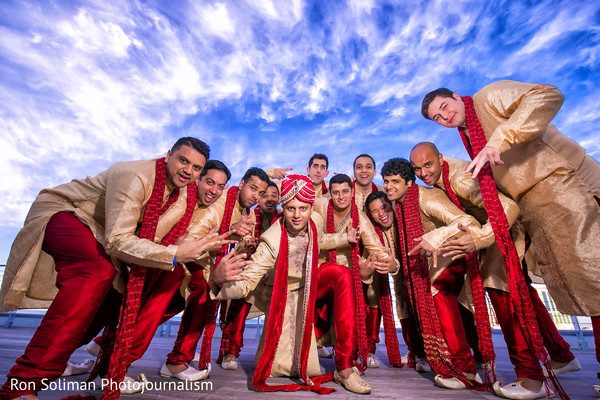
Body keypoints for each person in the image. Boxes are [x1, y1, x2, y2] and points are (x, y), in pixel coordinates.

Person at [0, 137, 225, 400]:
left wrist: (194, 254)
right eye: (183, 160)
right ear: (168, 155)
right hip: (69, 212)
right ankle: (23, 383)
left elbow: (164, 237)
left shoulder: (181, 197)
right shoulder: (135, 176)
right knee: (96, 272)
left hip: (104, 237)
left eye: (196, 168)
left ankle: (89, 365)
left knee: (119, 292)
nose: (188, 171)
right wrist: (175, 253)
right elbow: (118, 240)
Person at [422, 80, 599, 397]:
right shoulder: (467, 139)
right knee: (566, 282)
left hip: (566, 185)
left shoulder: (487, 98)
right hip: (535, 207)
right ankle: (559, 356)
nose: (444, 117)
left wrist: (498, 141)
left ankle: (534, 371)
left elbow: (548, 94)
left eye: (444, 107)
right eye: (437, 118)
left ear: (454, 97)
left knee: (593, 279)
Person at [410, 142, 580, 399]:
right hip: (492, 234)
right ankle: (561, 355)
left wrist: (479, 238)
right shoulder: (439, 181)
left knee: (501, 292)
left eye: (427, 164)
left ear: (440, 158)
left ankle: (531, 378)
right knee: (524, 296)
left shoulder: (459, 177)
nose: (423, 173)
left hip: (502, 233)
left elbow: (508, 208)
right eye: (417, 169)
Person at [211, 175, 371, 394]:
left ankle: (344, 367)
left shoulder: (315, 219)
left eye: (303, 209)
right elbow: (247, 282)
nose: (297, 215)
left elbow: (320, 240)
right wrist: (219, 282)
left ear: (311, 207)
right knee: (280, 365)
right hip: (282, 293)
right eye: (291, 209)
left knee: (341, 274)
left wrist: (346, 239)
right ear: (283, 207)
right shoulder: (271, 240)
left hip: (311, 283)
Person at [381, 157, 492, 392]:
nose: (389, 186)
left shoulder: (426, 197)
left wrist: (436, 237)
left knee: (441, 299)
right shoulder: (398, 204)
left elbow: (467, 221)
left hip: (449, 258)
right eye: (386, 181)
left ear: (410, 183)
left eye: (395, 181)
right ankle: (454, 363)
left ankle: (465, 371)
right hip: (429, 265)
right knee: (439, 307)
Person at [164, 167, 269, 377]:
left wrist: (247, 244)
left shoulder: (248, 214)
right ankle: (176, 361)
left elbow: (235, 244)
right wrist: (231, 228)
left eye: (260, 193)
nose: (255, 196)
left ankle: (181, 353)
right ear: (241, 184)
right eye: (253, 189)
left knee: (175, 304)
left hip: (209, 264)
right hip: (184, 256)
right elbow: (193, 235)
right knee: (202, 294)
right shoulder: (222, 202)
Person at [312, 174, 399, 370]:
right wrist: (344, 238)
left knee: (359, 296)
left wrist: (393, 265)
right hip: (317, 269)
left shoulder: (359, 217)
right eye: (336, 192)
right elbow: (313, 238)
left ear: (352, 192)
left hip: (347, 276)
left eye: (345, 192)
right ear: (330, 194)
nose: (341, 197)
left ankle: (346, 362)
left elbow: (376, 248)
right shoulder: (319, 206)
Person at [217, 179, 281, 371]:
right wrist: (247, 245)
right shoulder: (250, 217)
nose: (269, 199)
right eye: (264, 195)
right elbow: (238, 247)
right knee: (240, 298)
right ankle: (231, 351)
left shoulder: (285, 217)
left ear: (279, 199)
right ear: (259, 198)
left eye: (274, 195)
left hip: (276, 274)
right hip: (252, 269)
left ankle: (275, 354)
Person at [364, 191, 430, 373]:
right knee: (404, 309)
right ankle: (416, 353)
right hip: (398, 278)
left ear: (391, 205)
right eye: (375, 211)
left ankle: (428, 354)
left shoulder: (407, 220)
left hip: (422, 273)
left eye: (384, 207)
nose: (381, 214)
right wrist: (393, 267)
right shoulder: (373, 233)